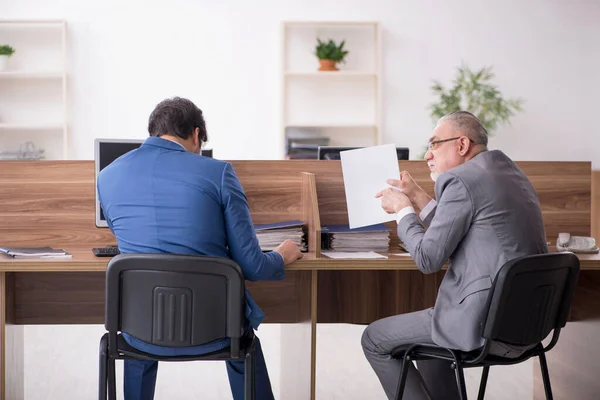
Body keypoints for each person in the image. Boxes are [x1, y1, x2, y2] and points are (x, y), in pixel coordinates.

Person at [97, 97, 303, 400]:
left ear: (153, 131)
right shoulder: (218, 173)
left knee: (139, 333)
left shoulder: (107, 176)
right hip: (215, 329)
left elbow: (126, 240)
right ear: (196, 135)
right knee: (242, 339)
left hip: (139, 330)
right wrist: (281, 255)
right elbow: (252, 266)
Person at [362, 111, 548, 400]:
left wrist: (402, 211)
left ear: (461, 145)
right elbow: (464, 225)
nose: (427, 155)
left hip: (483, 323)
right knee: (429, 349)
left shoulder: (460, 180)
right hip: (527, 324)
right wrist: (417, 195)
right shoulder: (507, 171)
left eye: (435, 144)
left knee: (374, 338)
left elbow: (428, 259)